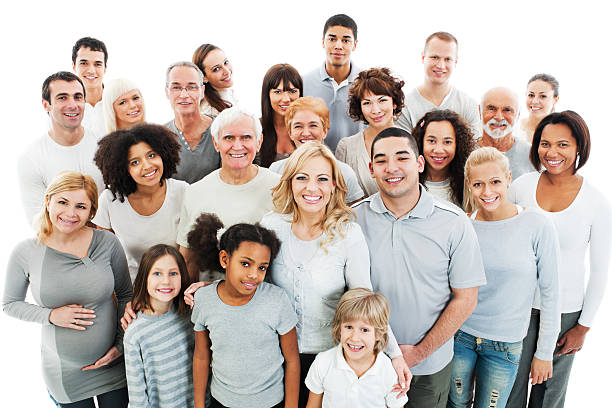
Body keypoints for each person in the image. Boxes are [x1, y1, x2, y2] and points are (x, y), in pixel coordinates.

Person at [260, 142, 409, 406]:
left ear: (334, 187)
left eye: (322, 179)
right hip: (276, 358)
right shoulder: (271, 226)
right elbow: (250, 282)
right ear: (290, 182)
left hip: (330, 362)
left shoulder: (347, 235)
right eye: (302, 178)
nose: (312, 188)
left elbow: (364, 302)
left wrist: (394, 355)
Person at [352, 127, 486, 408]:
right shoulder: (352, 219)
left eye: (402, 158)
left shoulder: (454, 222)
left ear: (420, 164)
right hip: (364, 362)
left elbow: (466, 298)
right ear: (371, 168)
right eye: (381, 160)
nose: (391, 168)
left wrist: (419, 353)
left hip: (427, 365)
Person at [507, 111, 612, 408]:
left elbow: (601, 272)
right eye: (545, 143)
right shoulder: (522, 187)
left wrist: (583, 326)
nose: (551, 153)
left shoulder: (596, 202)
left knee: (548, 396)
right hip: (520, 308)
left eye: (562, 145)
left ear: (579, 147)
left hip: (566, 315)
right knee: (510, 388)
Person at [2, 171, 132, 407]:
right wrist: (50, 315)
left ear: (91, 211)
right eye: (63, 202)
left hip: (113, 364)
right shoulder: (26, 252)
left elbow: (126, 296)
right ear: (48, 200)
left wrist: (120, 346)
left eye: (81, 206)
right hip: (65, 374)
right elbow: (9, 304)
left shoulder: (108, 243)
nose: (71, 213)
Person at [447, 147, 559, 408]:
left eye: (495, 182)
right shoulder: (462, 225)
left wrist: (544, 353)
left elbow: (552, 293)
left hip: (505, 345)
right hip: (460, 337)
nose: (487, 192)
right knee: (455, 404)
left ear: (508, 178)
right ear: (469, 185)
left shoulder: (537, 224)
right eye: (478, 184)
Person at [189, 213, 300, 408]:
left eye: (262, 268)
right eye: (245, 263)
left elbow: (292, 360)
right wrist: (199, 404)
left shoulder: (276, 300)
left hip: (271, 403)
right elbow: (201, 355)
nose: (253, 275)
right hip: (221, 401)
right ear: (225, 259)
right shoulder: (204, 299)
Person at [175, 106, 280, 280]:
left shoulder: (279, 187)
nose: (237, 146)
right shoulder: (195, 192)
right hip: (211, 299)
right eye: (229, 138)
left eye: (246, 137)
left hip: (266, 299)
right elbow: (187, 260)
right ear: (216, 143)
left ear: (259, 142)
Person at [93, 124, 187, 282]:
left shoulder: (183, 192)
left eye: (151, 155)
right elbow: (105, 260)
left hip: (174, 286)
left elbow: (189, 260)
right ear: (123, 169)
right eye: (134, 162)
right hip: (131, 287)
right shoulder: (109, 200)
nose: (147, 166)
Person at [18, 71, 105, 225]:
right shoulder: (32, 159)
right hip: (61, 246)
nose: (73, 105)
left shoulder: (103, 146)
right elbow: (39, 223)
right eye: (62, 98)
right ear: (46, 105)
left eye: (78, 97)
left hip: (106, 243)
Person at [305, 288, 408, 408]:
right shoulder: (322, 362)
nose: (354, 338)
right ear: (339, 328)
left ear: (379, 334)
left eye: (364, 330)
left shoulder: (389, 371)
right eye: (348, 327)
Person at [124, 244, 195, 408]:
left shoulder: (190, 316)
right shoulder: (135, 333)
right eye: (157, 273)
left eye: (173, 273)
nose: (166, 281)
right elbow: (137, 396)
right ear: (144, 278)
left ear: (182, 276)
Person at [269, 96, 364, 203]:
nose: (305, 133)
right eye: (298, 126)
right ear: (290, 133)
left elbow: (354, 214)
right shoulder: (276, 170)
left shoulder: (344, 173)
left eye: (313, 125)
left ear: (324, 131)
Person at [396, 32, 480, 138]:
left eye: (448, 59)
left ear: (456, 62)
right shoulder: (404, 107)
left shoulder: (468, 105)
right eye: (435, 57)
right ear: (423, 57)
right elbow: (404, 150)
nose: (441, 65)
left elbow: (474, 150)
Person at [338, 67, 405, 197]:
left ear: (394, 103)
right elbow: (341, 196)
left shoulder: (412, 141)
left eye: (382, 100)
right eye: (367, 103)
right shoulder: (346, 147)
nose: (375, 110)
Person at [302, 14, 365, 151]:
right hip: (314, 162)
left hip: (358, 163)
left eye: (345, 40)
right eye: (332, 39)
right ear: (323, 42)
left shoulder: (366, 82)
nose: (338, 46)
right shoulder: (303, 83)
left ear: (354, 45)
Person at [164, 61, 221, 184]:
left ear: (202, 91)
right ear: (167, 92)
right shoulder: (159, 137)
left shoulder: (221, 128)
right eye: (176, 87)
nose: (184, 94)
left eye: (192, 87)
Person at [411, 109, 475, 206]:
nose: (438, 150)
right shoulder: (408, 180)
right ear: (421, 142)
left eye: (447, 142)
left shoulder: (468, 182)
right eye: (431, 141)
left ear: (458, 145)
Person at [477, 87, 535, 180]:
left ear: (518, 114)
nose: (499, 117)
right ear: (479, 111)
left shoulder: (532, 155)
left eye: (507, 110)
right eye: (491, 108)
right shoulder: (464, 151)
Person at [259, 63, 303, 167]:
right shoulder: (255, 128)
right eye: (278, 92)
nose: (286, 99)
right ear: (267, 95)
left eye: (292, 91)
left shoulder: (310, 127)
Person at [72, 37, 108, 133]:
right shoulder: (62, 108)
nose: (91, 71)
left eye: (97, 64)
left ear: (105, 68)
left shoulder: (119, 102)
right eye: (84, 63)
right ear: (74, 66)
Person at [192, 44, 238, 117]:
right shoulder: (210, 112)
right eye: (216, 69)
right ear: (204, 78)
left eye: (225, 62)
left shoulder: (230, 94)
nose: (227, 71)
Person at [520, 74, 560, 143]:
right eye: (531, 95)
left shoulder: (562, 131)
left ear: (555, 100)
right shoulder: (514, 128)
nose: (535, 101)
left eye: (543, 96)